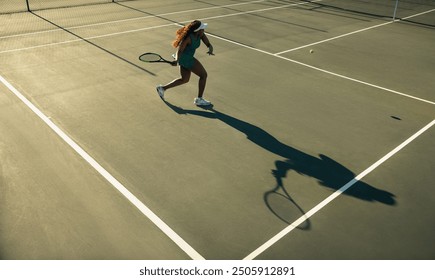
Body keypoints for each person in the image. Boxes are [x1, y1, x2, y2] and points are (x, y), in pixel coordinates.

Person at [156, 20, 214, 106]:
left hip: (186, 58)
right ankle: (199, 99)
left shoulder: (199, 34)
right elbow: (180, 50)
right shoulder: (188, 38)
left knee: (185, 79)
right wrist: (177, 60)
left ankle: (162, 88)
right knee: (203, 75)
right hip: (186, 58)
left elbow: (204, 38)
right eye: (202, 29)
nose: (204, 30)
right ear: (198, 30)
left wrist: (209, 46)